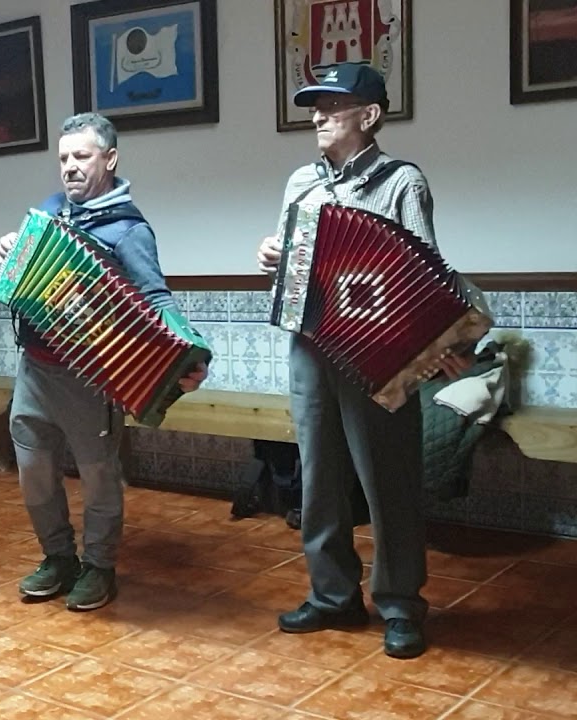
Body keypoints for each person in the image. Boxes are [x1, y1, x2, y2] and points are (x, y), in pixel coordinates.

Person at [256, 62, 469, 659]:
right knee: (318, 478)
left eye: (332, 106)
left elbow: (426, 273)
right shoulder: (300, 183)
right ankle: (333, 596)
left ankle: (400, 605)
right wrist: (272, 255)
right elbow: (290, 272)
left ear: (369, 115)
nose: (317, 117)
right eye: (314, 107)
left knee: (388, 480)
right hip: (311, 345)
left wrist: (439, 347)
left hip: (379, 353)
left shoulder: (402, 183)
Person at [0, 112, 207, 612]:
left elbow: (157, 297)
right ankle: (58, 558)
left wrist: (189, 352)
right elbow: (23, 272)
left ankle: (99, 565)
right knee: (33, 470)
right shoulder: (49, 212)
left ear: (109, 159)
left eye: (82, 156)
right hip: (34, 367)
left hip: (92, 375)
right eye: (63, 158)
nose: (70, 166)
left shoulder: (129, 231)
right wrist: (8, 247)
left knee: (97, 475)